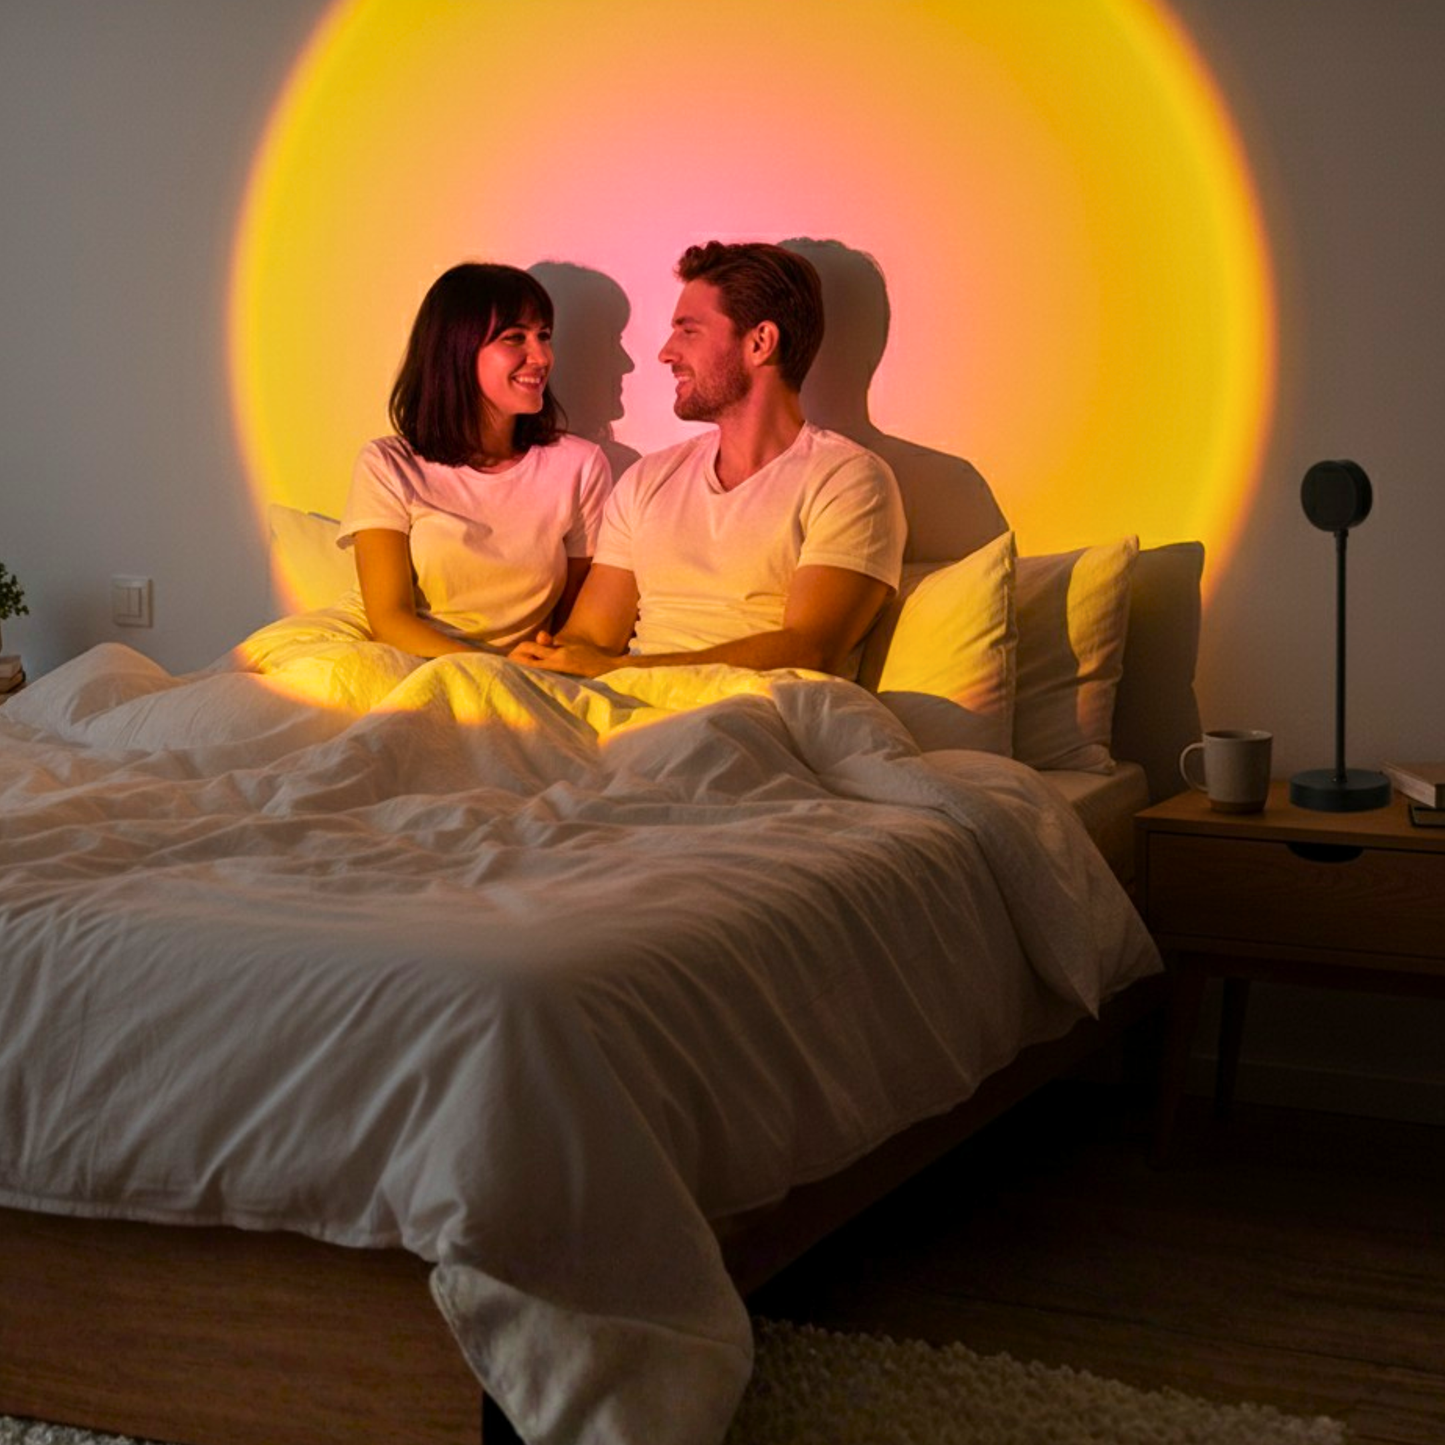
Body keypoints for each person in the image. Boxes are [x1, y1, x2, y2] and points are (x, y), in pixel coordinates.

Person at [508, 241, 904, 679]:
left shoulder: (848, 480)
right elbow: (591, 638)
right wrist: (549, 660)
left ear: (760, 343)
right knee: (462, 684)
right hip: (626, 705)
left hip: (756, 711)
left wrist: (620, 671)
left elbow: (810, 650)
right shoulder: (648, 480)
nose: (665, 352)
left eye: (688, 330)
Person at [338, 262, 612, 657]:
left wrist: (532, 671)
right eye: (515, 337)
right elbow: (389, 618)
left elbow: (571, 620)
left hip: (530, 676)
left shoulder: (580, 466)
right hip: (421, 666)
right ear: (457, 350)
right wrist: (490, 671)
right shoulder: (388, 465)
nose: (541, 356)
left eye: (544, 336)